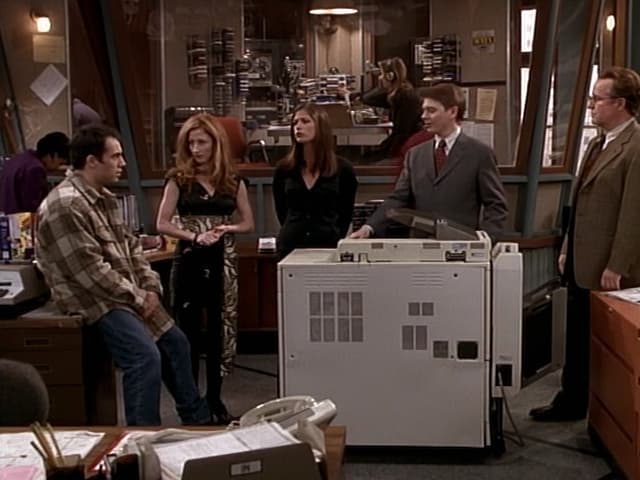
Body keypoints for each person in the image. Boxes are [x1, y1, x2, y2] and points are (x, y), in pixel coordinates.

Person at [36, 124, 210, 426]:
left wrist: (150, 287)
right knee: (144, 357)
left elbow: (131, 248)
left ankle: (198, 423)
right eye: (115, 156)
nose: (123, 163)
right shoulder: (65, 205)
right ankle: (141, 437)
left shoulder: (103, 197)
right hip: (93, 300)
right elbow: (91, 274)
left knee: (177, 343)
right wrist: (139, 298)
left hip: (124, 292)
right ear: (92, 161)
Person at [529, 67, 640, 422]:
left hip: (608, 265)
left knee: (609, 344)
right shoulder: (596, 143)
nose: (591, 105)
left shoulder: (635, 146)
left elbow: (633, 212)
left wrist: (618, 264)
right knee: (578, 336)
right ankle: (572, 401)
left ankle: (607, 414)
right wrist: (565, 248)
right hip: (581, 258)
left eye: (597, 99)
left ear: (620, 103)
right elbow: (580, 204)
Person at [156, 113, 254, 424]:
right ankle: (191, 400)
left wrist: (227, 229)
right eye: (191, 143)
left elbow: (247, 222)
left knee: (219, 331)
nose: (196, 149)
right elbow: (162, 223)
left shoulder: (233, 181)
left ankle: (215, 397)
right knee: (187, 332)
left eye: (202, 142)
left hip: (223, 261)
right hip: (189, 257)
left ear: (216, 143)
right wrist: (194, 235)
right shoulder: (178, 180)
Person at [350, 82, 508, 240]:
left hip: (462, 245)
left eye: (431, 110)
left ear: (452, 112)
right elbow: (398, 199)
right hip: (421, 245)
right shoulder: (415, 155)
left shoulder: (479, 153)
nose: (423, 116)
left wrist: (487, 238)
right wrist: (369, 228)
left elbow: (495, 204)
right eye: (423, 110)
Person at [273, 103, 358, 258]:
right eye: (295, 123)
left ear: (320, 126)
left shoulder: (343, 169)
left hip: (328, 244)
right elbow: (282, 211)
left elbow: (345, 213)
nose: (298, 127)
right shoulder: (284, 169)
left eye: (305, 121)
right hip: (291, 244)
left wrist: (334, 234)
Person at [344, 57, 424, 162]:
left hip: (408, 146)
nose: (380, 77)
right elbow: (368, 98)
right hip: (405, 143)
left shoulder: (404, 96)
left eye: (381, 74)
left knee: (365, 159)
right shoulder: (399, 92)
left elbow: (402, 133)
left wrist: (385, 152)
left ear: (390, 76)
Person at [0, 132, 69, 214]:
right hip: (18, 216)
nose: (58, 167)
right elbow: (32, 206)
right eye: (59, 163)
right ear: (52, 155)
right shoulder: (35, 169)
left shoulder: (20, 158)